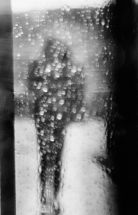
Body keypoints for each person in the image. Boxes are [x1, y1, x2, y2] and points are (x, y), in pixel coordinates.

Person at [25, 38, 86, 215]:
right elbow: (33, 89)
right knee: (49, 157)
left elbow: (76, 90)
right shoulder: (41, 67)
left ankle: (48, 195)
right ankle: (48, 195)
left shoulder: (58, 68)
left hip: (52, 119)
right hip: (49, 118)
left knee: (51, 157)